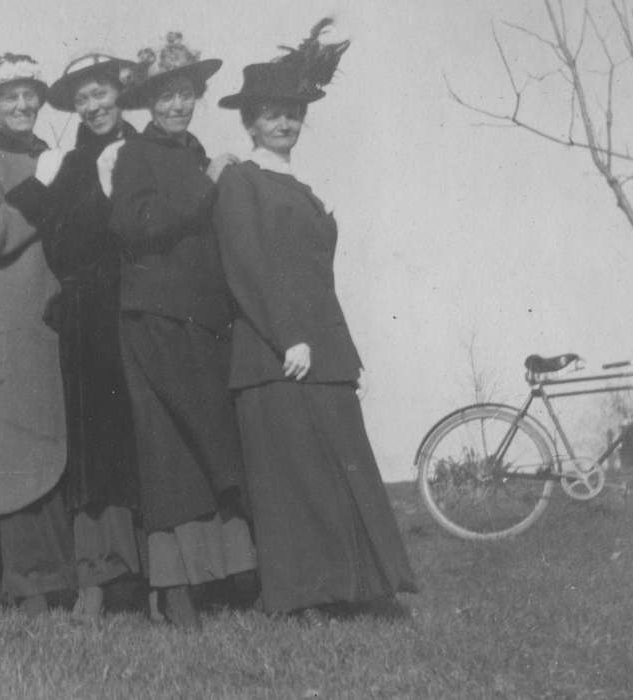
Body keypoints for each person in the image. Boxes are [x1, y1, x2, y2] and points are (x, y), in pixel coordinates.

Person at [214, 19, 418, 621]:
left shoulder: (300, 185)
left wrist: (327, 346)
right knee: (292, 479)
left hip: (322, 350)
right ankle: (306, 597)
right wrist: (289, 338)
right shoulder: (239, 181)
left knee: (339, 469)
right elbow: (246, 266)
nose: (284, 123)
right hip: (273, 353)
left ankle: (358, 589)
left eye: (293, 114)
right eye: (272, 114)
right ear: (249, 121)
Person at [106, 32, 256, 629]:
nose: (176, 105)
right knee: (167, 449)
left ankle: (220, 577)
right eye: (165, 95)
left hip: (199, 318)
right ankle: (173, 590)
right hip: (155, 319)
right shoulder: (135, 154)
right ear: (148, 101)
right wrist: (208, 183)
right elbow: (134, 224)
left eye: (185, 93)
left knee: (204, 444)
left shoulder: (195, 152)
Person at [1, 54, 145, 619]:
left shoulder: (145, 145)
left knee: (144, 436)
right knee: (95, 443)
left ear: (119, 92)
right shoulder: (68, 159)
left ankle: (156, 576)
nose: (94, 105)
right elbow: (36, 222)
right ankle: (101, 577)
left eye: (101, 92)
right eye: (83, 98)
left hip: (140, 305)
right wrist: (51, 181)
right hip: (87, 311)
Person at [0, 53, 76, 615]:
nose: (24, 105)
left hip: (53, 327)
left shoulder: (53, 158)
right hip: (11, 333)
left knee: (58, 451)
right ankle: (27, 587)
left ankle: (65, 581)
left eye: (30, 94)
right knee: (19, 457)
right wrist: (40, 188)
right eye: (11, 98)